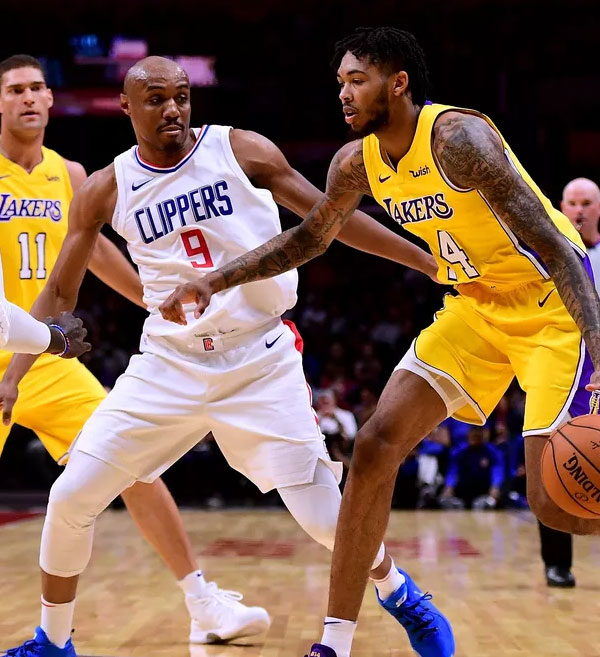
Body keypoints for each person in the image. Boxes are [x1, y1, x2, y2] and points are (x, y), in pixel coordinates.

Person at [161, 26, 600, 657]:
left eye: (357, 80)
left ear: (397, 84)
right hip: (476, 307)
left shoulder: (459, 140)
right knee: (373, 446)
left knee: (556, 503)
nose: (343, 93)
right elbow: (309, 238)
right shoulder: (355, 162)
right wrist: (215, 279)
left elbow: (560, 249)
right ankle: (334, 643)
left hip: (551, 305)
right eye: (340, 81)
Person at [3, 56, 453, 657]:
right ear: (127, 106)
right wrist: (16, 372)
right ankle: (53, 642)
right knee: (70, 498)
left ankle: (399, 591)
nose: (172, 109)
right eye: (156, 99)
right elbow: (60, 291)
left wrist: (424, 260)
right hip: (169, 364)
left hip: (258, 359)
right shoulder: (105, 187)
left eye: (182, 96)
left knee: (326, 520)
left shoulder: (241, 150)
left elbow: (331, 219)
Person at [0, 54, 271, 647]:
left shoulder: (71, 174)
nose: (28, 98)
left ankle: (203, 603)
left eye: (37, 88)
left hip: (46, 358)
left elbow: (95, 254)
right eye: (15, 89)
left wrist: (156, 304)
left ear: (50, 99)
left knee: (130, 462)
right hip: (10, 341)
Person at [439, 426, 504, 510]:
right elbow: (453, 471)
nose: (475, 439)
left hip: (484, 489)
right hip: (464, 488)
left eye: (478, 436)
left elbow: (497, 471)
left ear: (483, 436)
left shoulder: (493, 451)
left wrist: (495, 486)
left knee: (496, 497)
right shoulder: (459, 451)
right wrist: (449, 486)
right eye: (473, 436)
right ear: (468, 435)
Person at [561, 177, 600, 291]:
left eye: (586, 203)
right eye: (572, 204)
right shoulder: (552, 251)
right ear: (563, 208)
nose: (579, 210)